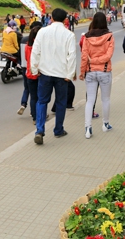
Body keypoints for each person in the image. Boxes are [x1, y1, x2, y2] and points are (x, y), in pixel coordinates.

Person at [30, 8, 77, 145]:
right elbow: (72, 56)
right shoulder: (69, 35)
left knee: (42, 101)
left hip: (44, 73)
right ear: (65, 20)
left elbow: (35, 51)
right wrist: (70, 73)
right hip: (62, 75)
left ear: (51, 18)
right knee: (61, 102)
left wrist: (34, 69)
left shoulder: (42, 32)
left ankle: (39, 130)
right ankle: (58, 130)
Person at [79, 12, 114, 139]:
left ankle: (88, 128)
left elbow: (84, 57)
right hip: (105, 71)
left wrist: (83, 71)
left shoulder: (87, 37)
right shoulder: (109, 36)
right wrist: (99, 60)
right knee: (105, 99)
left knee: (90, 100)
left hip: (90, 72)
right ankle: (105, 124)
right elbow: (108, 56)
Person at [23, 22, 43, 124]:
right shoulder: (39, 46)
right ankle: (40, 116)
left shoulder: (27, 46)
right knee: (41, 98)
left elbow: (27, 58)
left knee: (33, 97)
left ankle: (34, 117)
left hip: (29, 74)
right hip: (39, 74)